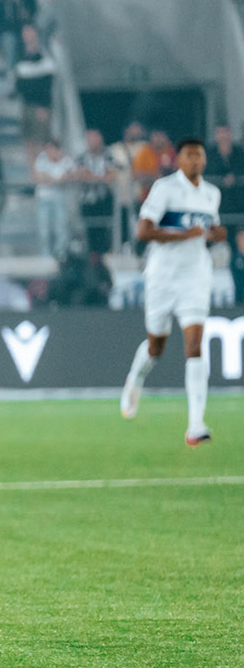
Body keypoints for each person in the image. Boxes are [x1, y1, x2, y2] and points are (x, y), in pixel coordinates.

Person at [121, 137, 227, 445]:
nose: (195, 160)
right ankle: (136, 377)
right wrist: (184, 234)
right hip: (162, 276)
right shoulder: (165, 189)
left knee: (194, 345)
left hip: (195, 275)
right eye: (189, 155)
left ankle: (195, 425)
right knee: (157, 347)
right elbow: (143, 231)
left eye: (199, 156)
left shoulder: (211, 194)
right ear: (178, 160)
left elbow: (211, 230)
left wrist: (217, 235)